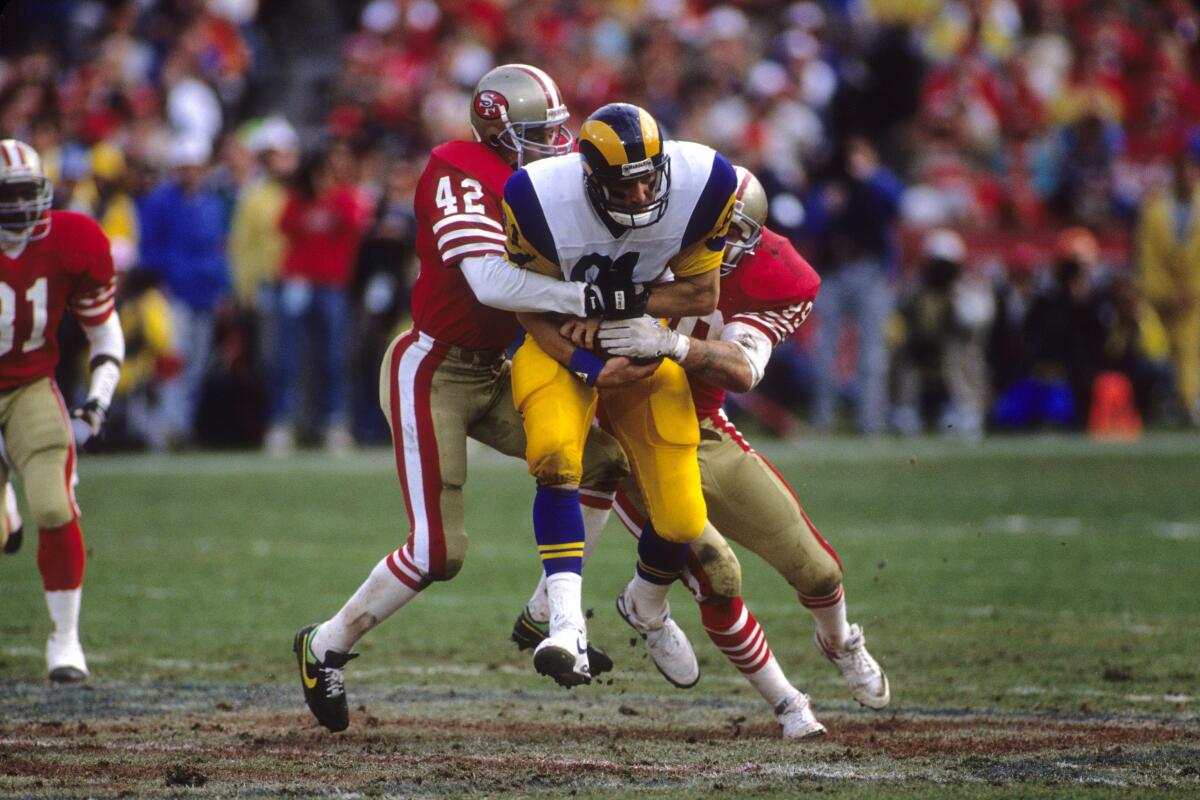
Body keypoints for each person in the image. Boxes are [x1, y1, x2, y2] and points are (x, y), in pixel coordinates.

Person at [293, 65, 632, 733]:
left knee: (603, 463)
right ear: (497, 128)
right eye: (539, 132)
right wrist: (587, 298)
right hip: (432, 370)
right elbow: (489, 283)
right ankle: (323, 646)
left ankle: (550, 613)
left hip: (496, 369)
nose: (557, 143)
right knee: (437, 553)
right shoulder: (457, 167)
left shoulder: (542, 178)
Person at [514, 168, 889, 737]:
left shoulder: (781, 276)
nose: (714, 243)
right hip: (623, 421)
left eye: (730, 234)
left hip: (703, 422)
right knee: (718, 571)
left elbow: (743, 370)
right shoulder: (642, 228)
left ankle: (839, 641)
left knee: (817, 569)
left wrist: (672, 342)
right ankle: (789, 704)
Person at [499, 102, 737, 688]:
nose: (636, 198)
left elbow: (701, 293)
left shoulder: (706, 181)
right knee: (556, 453)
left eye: (645, 182)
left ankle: (646, 606)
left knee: (682, 519)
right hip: (559, 343)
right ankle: (563, 625)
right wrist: (584, 361)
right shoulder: (536, 196)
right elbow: (522, 300)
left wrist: (609, 307)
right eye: (620, 187)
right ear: (589, 181)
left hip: (638, 345)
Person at [0, 138, 124, 683]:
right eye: (11, 195)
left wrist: (98, 399)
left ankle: (65, 643)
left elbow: (104, 330)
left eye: (31, 193)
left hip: (30, 384)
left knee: (54, 506)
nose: (24, 208)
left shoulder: (73, 240)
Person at [803, 136, 904, 435]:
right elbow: (811, 224)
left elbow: (898, 202)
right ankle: (821, 420)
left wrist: (871, 176)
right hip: (835, 270)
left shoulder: (877, 185)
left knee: (872, 352)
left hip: (870, 271)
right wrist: (829, 205)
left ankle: (869, 422)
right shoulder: (833, 187)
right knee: (824, 349)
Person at [137, 136, 230, 446]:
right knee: (173, 361)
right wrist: (161, 281)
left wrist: (220, 287)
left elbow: (218, 249)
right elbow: (150, 248)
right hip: (174, 291)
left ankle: (183, 426)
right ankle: (167, 427)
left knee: (197, 364)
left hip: (203, 293)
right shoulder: (161, 202)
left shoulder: (210, 203)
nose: (192, 174)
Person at [1136, 144, 1200, 426]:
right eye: (1181, 171)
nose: (1186, 177)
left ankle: (1189, 406)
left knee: (1189, 353)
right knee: (1156, 352)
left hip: (1195, 298)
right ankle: (1161, 407)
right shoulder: (1154, 212)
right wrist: (1163, 294)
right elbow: (1148, 257)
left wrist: (1192, 292)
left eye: (1191, 171)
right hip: (1161, 300)